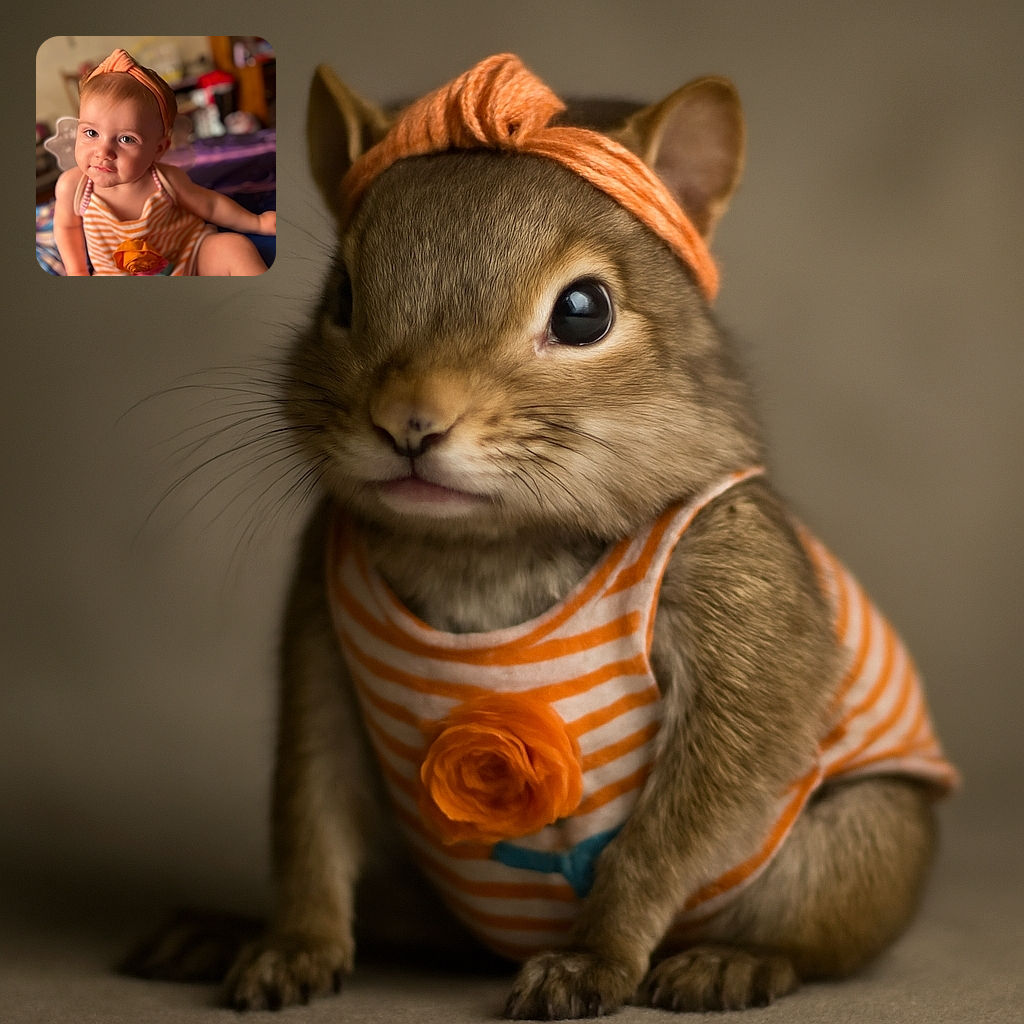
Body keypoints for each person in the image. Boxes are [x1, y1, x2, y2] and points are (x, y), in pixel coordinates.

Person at [52, 49, 275, 276]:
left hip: (188, 257)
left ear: (159, 149)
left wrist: (257, 222)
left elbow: (210, 205)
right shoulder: (73, 187)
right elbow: (67, 226)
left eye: (126, 139)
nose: (103, 151)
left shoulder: (165, 180)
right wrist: (77, 270)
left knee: (235, 247)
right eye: (91, 133)